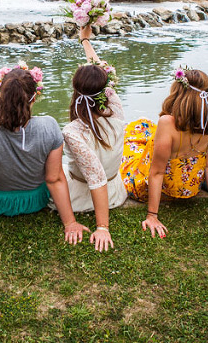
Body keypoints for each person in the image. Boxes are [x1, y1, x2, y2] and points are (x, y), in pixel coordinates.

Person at [0, 61, 88, 256]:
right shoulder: (50, 126)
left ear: (1, 95)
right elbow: (54, 179)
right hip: (34, 201)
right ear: (34, 98)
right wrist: (70, 223)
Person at [120, 67, 208, 238]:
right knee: (145, 127)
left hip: (157, 190)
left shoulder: (167, 123)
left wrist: (152, 215)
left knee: (131, 136)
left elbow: (157, 173)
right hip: (189, 190)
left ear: (178, 93)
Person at [59, 25, 127, 252]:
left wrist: (103, 227)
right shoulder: (115, 107)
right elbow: (103, 72)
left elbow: (96, 179)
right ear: (105, 90)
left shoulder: (73, 131)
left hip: (82, 198)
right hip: (115, 191)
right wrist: (85, 41)